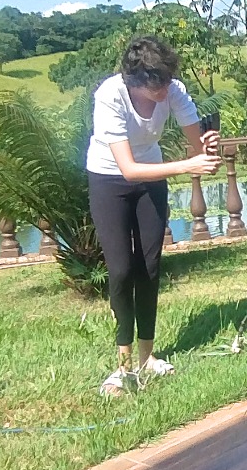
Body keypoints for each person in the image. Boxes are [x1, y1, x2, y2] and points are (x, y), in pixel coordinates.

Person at [87, 35, 221, 396]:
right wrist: (188, 165)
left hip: (152, 177)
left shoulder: (172, 90)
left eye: (166, 79)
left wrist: (207, 146)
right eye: (155, 83)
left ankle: (147, 357)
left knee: (149, 266)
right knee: (121, 270)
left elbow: (198, 145)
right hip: (109, 179)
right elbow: (128, 169)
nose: (163, 88)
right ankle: (122, 365)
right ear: (134, 80)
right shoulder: (110, 95)